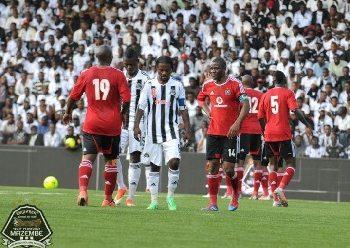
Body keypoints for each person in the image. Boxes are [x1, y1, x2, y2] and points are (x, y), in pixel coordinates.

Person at [62, 45, 131, 207]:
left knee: (88, 158)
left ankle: (83, 192)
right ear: (110, 57)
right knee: (111, 161)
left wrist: (67, 112)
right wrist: (123, 112)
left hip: (92, 124)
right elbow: (127, 99)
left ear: (97, 57)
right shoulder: (118, 75)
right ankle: (107, 199)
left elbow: (73, 96)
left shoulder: (87, 74)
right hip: (112, 125)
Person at [133, 56, 191, 210]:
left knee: (174, 161)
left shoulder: (177, 86)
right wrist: (136, 126)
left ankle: (170, 197)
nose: (164, 73)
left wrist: (187, 130)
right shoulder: (149, 85)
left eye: (167, 70)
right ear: (156, 69)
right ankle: (154, 201)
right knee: (154, 166)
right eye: (161, 70)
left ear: (171, 69)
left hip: (171, 132)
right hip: (152, 133)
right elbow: (141, 107)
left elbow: (183, 109)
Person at [197, 57, 250, 211]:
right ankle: (213, 203)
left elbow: (245, 105)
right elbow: (201, 100)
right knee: (213, 166)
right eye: (211, 68)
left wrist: (237, 123)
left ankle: (235, 194)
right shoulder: (207, 84)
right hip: (213, 132)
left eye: (216, 68)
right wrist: (208, 112)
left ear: (224, 69)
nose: (213, 71)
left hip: (230, 134)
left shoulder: (235, 84)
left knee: (228, 169)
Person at [258, 70, 312, 207]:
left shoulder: (265, 95)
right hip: (283, 133)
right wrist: (306, 123)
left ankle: (275, 201)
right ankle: (281, 188)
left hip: (269, 134)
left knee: (273, 165)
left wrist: (265, 131)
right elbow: (295, 110)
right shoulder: (288, 93)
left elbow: (260, 117)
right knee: (291, 163)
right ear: (284, 80)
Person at [113, 48, 150, 207]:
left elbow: (150, 102)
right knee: (113, 156)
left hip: (138, 124)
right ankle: (121, 186)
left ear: (137, 62)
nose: (128, 67)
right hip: (119, 123)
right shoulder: (118, 76)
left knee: (135, 159)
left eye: (131, 64)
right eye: (126, 64)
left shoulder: (146, 79)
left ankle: (131, 198)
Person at [237, 75, 269, 200]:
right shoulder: (261, 95)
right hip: (257, 130)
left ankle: (238, 191)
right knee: (257, 162)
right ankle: (255, 192)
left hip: (244, 129)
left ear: (242, 83)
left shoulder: (240, 93)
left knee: (240, 161)